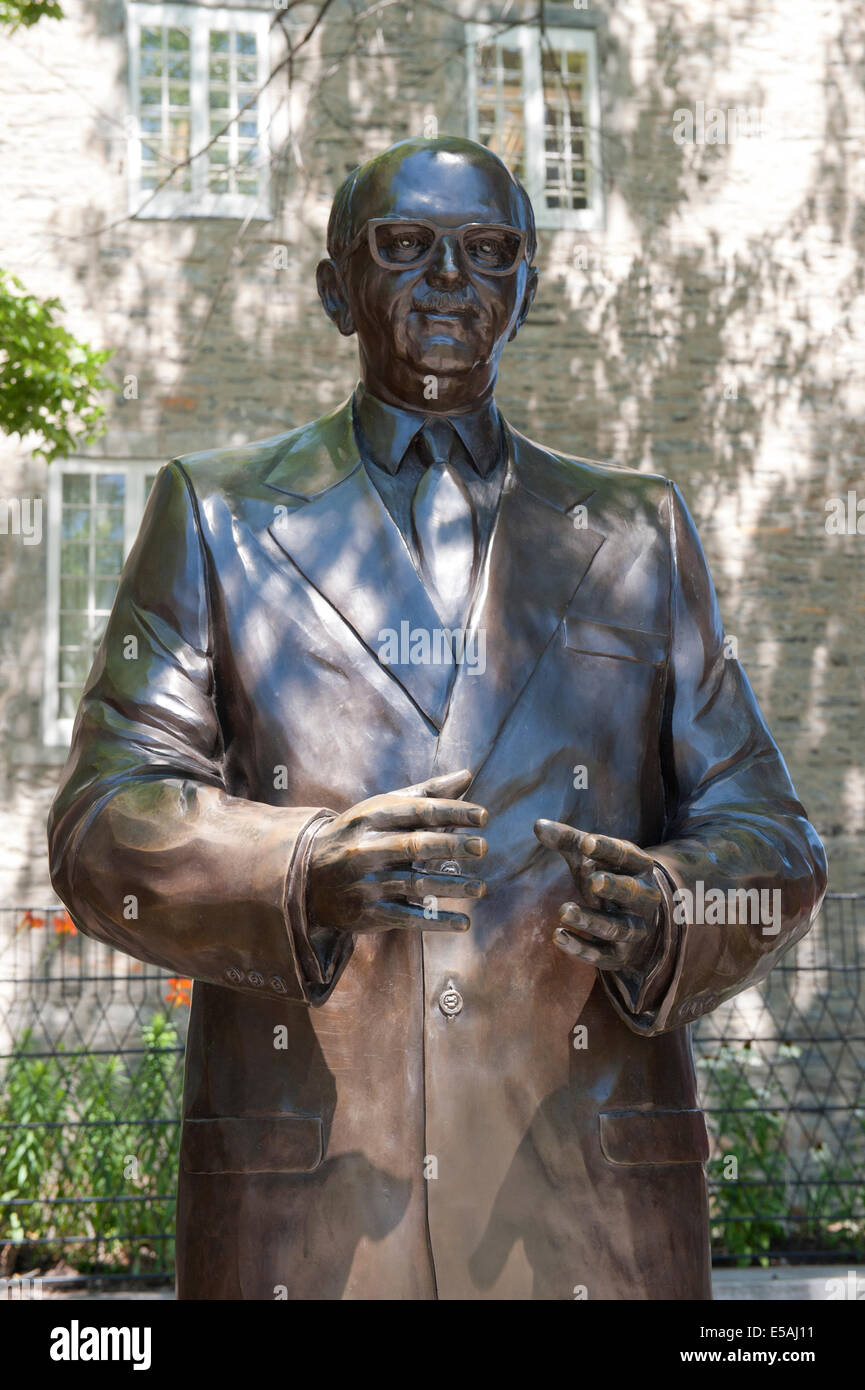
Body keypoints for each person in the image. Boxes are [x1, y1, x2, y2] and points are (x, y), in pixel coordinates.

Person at [48, 136, 827, 1300]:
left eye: (488, 251)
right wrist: (298, 867)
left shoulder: (637, 532)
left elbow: (772, 833)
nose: (451, 278)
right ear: (334, 288)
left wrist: (674, 907)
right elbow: (104, 821)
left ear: (524, 288)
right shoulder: (217, 518)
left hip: (587, 1215)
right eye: (406, 247)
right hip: (315, 1216)